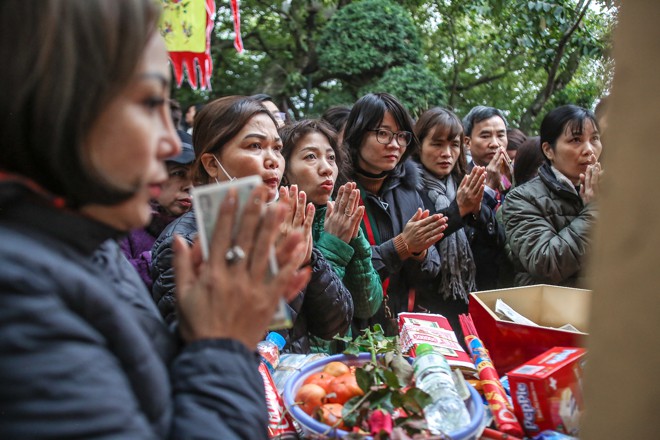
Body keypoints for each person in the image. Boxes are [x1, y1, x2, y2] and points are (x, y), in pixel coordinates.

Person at [0, 1, 310, 438]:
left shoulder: (90, 244)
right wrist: (224, 344)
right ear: (54, 106)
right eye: (148, 103)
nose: (168, 143)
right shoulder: (19, 295)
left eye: (277, 147)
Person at [151, 96, 353, 353]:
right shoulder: (183, 245)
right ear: (212, 164)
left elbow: (335, 326)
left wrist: (307, 260)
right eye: (255, 146)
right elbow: (218, 354)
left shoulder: (280, 223)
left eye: (277, 148)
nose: (273, 161)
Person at [343, 92, 446, 335]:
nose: (395, 144)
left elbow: (432, 268)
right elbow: (343, 274)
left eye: (401, 135)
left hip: (405, 325)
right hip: (355, 332)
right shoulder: (339, 191)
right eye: (383, 133)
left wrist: (419, 251)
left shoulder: (408, 189)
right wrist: (402, 246)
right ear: (357, 134)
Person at [280, 119, 383, 349]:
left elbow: (368, 305)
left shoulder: (338, 215)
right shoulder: (278, 222)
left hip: (338, 362)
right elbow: (306, 323)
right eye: (310, 157)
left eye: (331, 157)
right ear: (283, 169)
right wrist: (333, 246)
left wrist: (354, 242)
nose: (326, 168)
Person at [501, 105, 603, 286]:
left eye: (594, 138)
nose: (589, 149)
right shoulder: (521, 199)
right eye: (576, 140)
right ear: (549, 150)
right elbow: (546, 264)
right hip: (550, 309)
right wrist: (594, 211)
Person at [413, 107, 492, 337]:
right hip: (427, 311)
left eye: (454, 145)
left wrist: (478, 212)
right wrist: (458, 211)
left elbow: (494, 243)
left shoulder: (463, 183)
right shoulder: (407, 189)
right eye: (437, 144)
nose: (447, 153)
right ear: (419, 145)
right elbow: (418, 246)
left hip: (467, 306)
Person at [119, 129, 194, 290]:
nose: (190, 186)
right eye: (178, 173)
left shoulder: (200, 221)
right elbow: (115, 282)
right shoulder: (124, 223)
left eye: (197, 177)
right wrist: (162, 259)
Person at [461, 105, 509, 290]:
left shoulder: (515, 178)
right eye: (485, 135)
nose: (495, 143)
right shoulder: (459, 179)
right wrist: (487, 190)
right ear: (467, 142)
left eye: (501, 135)